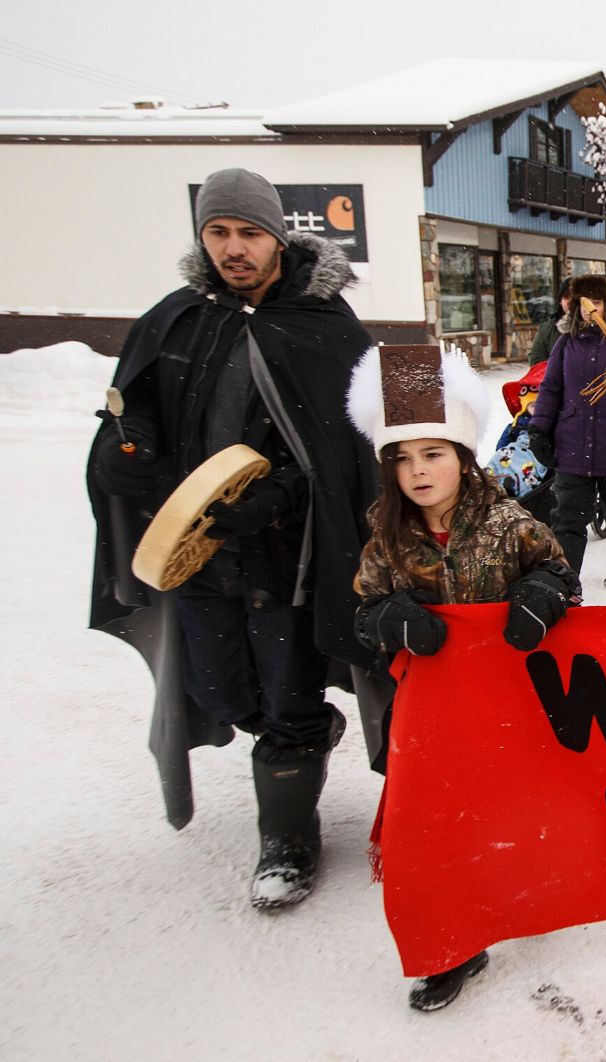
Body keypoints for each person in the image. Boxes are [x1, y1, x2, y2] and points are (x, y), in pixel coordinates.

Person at [86, 168, 377, 909]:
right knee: (217, 687)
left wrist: (278, 493)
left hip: (288, 553)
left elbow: (345, 448)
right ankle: (304, 735)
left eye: (249, 233)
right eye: (219, 233)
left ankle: (287, 839)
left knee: (286, 689)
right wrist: (130, 449)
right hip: (197, 550)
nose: (234, 249)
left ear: (278, 236)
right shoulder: (176, 319)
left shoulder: (324, 324)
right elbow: (132, 407)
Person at [347, 344, 579, 1012]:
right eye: (403, 458)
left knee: (512, 817)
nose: (418, 472)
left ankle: (524, 898)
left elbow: (561, 576)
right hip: (433, 718)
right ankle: (451, 943)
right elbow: (362, 614)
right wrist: (389, 619)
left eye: (433, 453)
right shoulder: (385, 537)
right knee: (438, 833)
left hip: (510, 709)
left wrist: (540, 595)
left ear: (462, 454)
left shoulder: (510, 523)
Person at [527, 274, 606, 589]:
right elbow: (551, 389)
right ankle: (565, 578)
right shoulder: (565, 342)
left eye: (597, 303)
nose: (590, 310)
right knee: (568, 518)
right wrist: (539, 429)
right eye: (584, 303)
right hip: (573, 443)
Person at [527, 277, 574, 367]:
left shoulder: (597, 327)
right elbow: (536, 361)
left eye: (575, 297)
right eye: (566, 297)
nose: (570, 301)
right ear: (560, 301)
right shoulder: (547, 329)